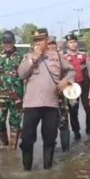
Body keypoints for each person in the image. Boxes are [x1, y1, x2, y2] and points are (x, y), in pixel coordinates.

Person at [18, 28, 75, 170]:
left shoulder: (56, 56)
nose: (38, 43)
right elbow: (21, 74)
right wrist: (34, 57)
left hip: (51, 104)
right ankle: (27, 171)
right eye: (36, 40)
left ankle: (47, 169)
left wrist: (65, 82)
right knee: (26, 139)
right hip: (31, 105)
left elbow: (72, 71)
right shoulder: (28, 56)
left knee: (50, 139)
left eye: (41, 39)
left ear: (47, 40)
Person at [0, 30, 24, 149]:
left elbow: (26, 76)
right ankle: (4, 143)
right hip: (1, 94)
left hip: (16, 94)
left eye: (9, 42)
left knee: (15, 121)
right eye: (5, 42)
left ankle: (12, 148)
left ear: (14, 42)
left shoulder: (20, 57)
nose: (7, 44)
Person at [64, 33, 90, 140]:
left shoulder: (84, 55)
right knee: (73, 110)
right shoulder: (63, 57)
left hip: (85, 84)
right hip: (71, 86)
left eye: (74, 42)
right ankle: (76, 131)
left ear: (77, 43)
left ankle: (89, 127)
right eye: (70, 42)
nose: (73, 44)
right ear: (67, 44)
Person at [48, 36, 70, 152]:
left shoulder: (61, 58)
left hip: (61, 96)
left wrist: (65, 81)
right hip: (47, 98)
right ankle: (50, 148)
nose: (51, 46)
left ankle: (66, 150)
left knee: (64, 122)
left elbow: (71, 73)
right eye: (49, 44)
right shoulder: (42, 59)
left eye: (53, 44)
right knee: (49, 124)